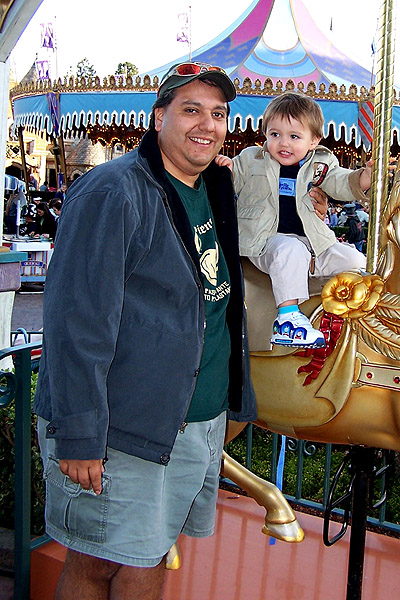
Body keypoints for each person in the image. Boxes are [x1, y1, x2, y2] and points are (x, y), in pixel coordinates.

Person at [33, 62, 258, 600]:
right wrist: (80, 433)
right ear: (159, 118)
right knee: (96, 561)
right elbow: (76, 323)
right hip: (121, 424)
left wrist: (233, 402)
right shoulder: (113, 192)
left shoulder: (215, 187)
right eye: (190, 110)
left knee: (152, 552)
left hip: (191, 420)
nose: (207, 124)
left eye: (218, 114)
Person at [215, 91, 369, 349]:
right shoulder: (252, 159)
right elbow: (232, 179)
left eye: (294, 137)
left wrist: (364, 178)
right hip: (267, 242)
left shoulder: (321, 164)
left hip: (313, 242)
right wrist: (224, 169)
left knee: (354, 259)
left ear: (314, 140)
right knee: (290, 250)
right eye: (275, 134)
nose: (283, 143)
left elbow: (340, 181)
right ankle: (287, 319)